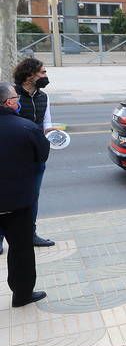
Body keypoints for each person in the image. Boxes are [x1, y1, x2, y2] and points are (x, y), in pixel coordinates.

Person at [0, 82, 50, 307]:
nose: (19, 101)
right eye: (16, 98)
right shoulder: (26, 127)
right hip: (18, 202)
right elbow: (42, 154)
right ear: (9, 102)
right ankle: (22, 294)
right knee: (21, 250)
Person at [12, 58, 55, 247]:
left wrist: (53, 136)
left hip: (36, 157)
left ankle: (31, 233)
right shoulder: (11, 95)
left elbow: (47, 124)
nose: (46, 76)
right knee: (6, 195)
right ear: (30, 75)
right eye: (43, 72)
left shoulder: (43, 97)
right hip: (12, 158)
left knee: (32, 195)